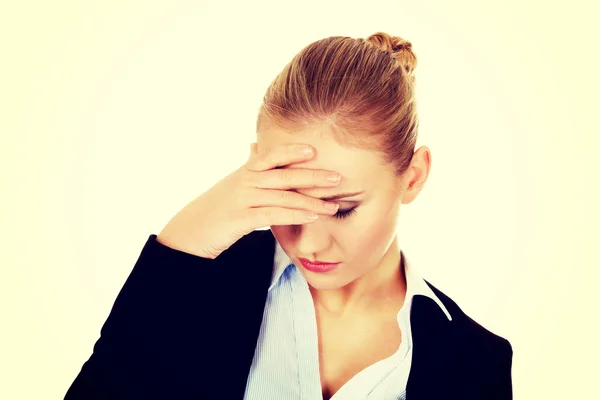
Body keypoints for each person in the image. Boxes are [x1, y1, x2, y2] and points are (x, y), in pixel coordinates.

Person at [64, 32, 513, 400]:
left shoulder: (474, 361)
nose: (309, 242)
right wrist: (181, 244)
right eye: (288, 197)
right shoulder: (204, 283)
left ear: (412, 177)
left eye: (341, 209)